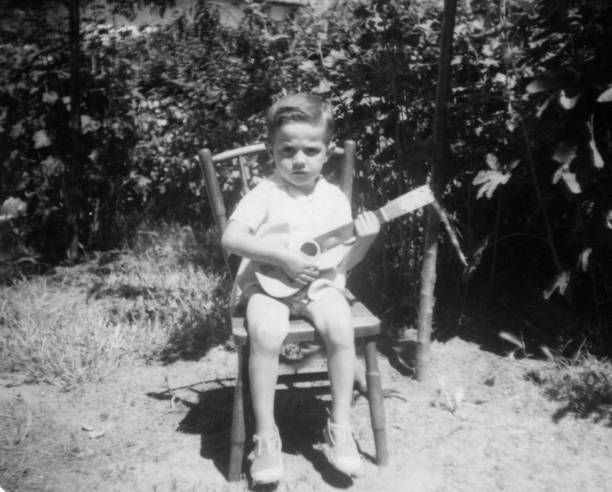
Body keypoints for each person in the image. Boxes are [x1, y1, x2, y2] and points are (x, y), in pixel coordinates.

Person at [221, 93, 380, 484]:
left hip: (318, 285)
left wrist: (366, 239)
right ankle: (266, 435)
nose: (299, 159)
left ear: (327, 153)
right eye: (287, 149)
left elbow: (343, 262)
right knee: (266, 332)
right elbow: (231, 237)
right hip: (265, 282)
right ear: (272, 152)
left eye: (311, 150)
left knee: (340, 328)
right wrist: (281, 255)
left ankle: (339, 427)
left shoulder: (333, 199)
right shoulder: (265, 193)